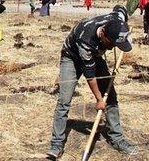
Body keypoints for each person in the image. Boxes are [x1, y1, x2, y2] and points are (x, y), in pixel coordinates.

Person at [46, 11, 137, 159]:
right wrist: (99, 100)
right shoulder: (86, 40)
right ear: (103, 35)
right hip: (71, 57)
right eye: (112, 44)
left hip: (94, 55)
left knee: (111, 96)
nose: (113, 47)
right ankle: (56, 144)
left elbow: (121, 10)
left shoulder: (115, 21)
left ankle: (117, 139)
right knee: (64, 100)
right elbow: (90, 77)